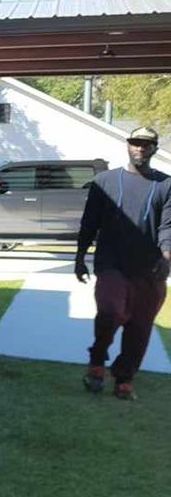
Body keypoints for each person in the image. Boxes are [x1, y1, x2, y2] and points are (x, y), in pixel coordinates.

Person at [77, 126, 171, 400]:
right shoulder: (104, 181)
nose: (140, 147)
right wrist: (80, 258)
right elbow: (89, 223)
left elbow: (168, 226)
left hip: (149, 269)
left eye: (146, 144)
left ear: (155, 148)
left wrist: (166, 257)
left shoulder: (166, 185)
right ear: (127, 145)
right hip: (111, 262)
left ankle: (124, 379)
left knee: (140, 327)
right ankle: (97, 361)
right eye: (135, 142)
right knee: (110, 311)